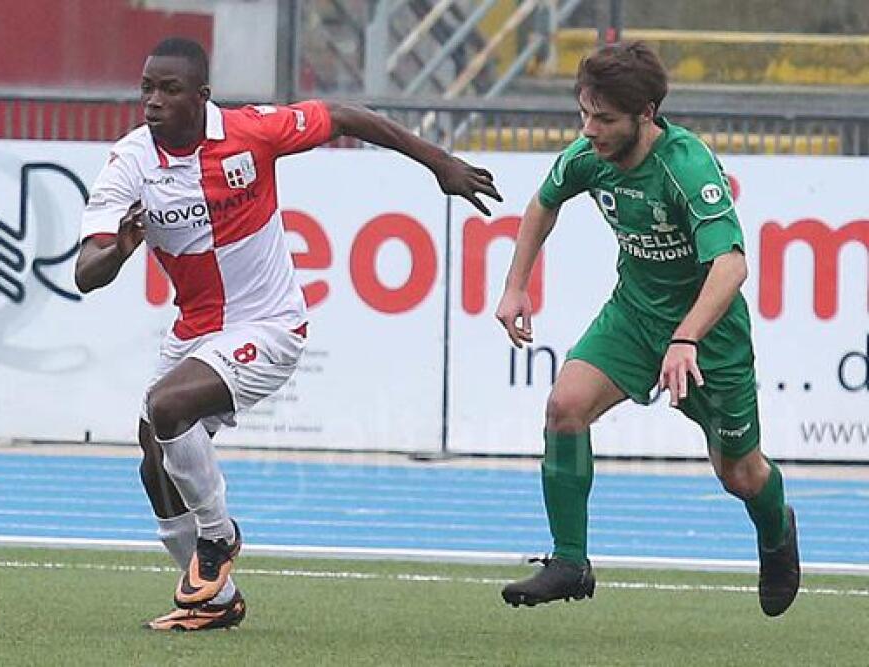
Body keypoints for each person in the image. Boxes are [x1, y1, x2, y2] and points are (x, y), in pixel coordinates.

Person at [75, 37, 502, 631]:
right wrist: (118, 252)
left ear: (201, 97)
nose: (153, 101)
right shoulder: (129, 163)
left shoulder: (252, 132)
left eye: (169, 90)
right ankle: (215, 602)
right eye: (147, 88)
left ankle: (218, 538)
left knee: (166, 406)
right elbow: (86, 272)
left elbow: (345, 116)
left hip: (270, 324)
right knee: (154, 461)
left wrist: (439, 163)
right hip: (195, 330)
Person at [493, 42, 799, 616]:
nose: (589, 130)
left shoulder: (686, 167)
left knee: (740, 474)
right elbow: (542, 204)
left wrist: (686, 338)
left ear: (647, 115)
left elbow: (732, 265)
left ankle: (776, 531)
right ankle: (570, 562)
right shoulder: (588, 155)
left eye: (604, 119)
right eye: (584, 113)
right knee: (565, 407)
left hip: (710, 336)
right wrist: (515, 286)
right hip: (633, 316)